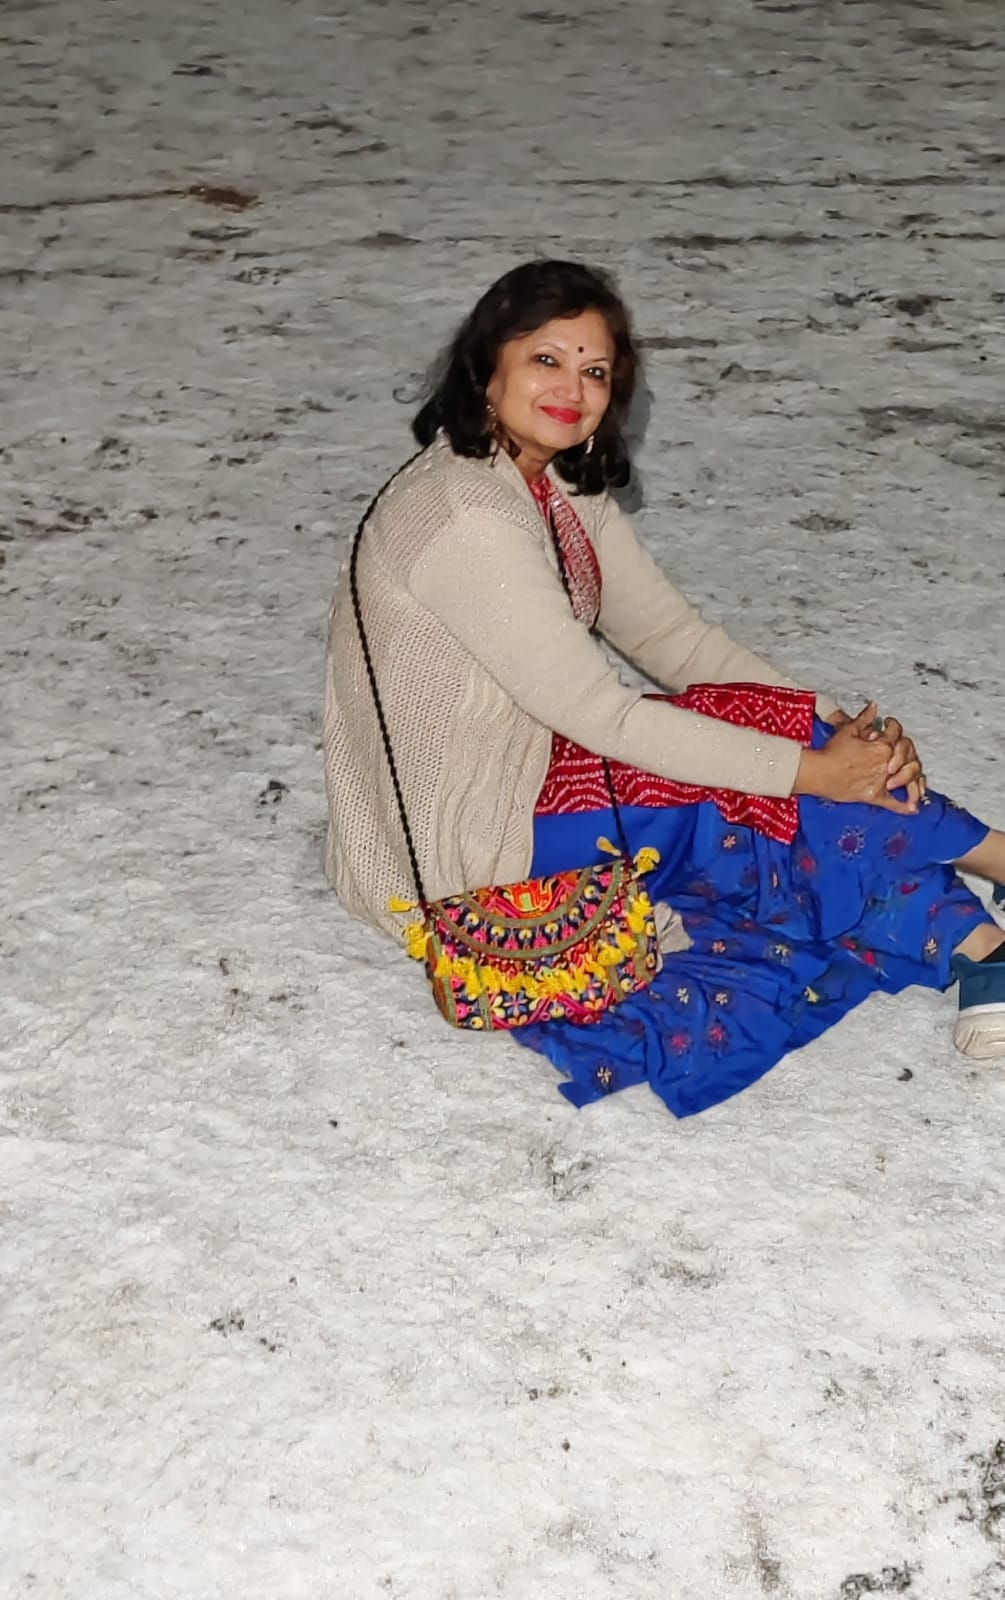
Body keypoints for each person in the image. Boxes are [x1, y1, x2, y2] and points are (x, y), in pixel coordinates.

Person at [323, 259, 1005, 1117]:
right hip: (465, 835)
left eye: (595, 370)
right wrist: (817, 769)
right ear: (485, 367)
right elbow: (598, 714)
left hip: (526, 766)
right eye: (545, 360)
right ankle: (985, 896)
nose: (572, 389)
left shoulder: (548, 481)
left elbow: (674, 641)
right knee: (747, 792)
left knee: (764, 737)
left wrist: (838, 729)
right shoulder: (466, 515)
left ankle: (979, 934)